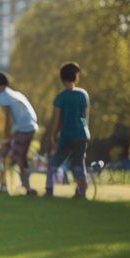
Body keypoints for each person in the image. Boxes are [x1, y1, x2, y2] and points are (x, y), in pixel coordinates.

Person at [44, 62, 91, 199]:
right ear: (76, 77)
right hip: (82, 135)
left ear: (62, 79)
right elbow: (85, 116)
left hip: (67, 135)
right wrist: (86, 131)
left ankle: (49, 189)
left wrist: (52, 136)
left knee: (55, 162)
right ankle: (82, 190)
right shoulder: (83, 95)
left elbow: (57, 121)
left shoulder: (60, 97)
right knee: (78, 163)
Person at [0, 71, 39, 196]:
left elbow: (8, 118)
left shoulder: (3, 96)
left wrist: (6, 135)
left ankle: (21, 187)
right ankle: (8, 184)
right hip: (29, 126)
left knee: (15, 156)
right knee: (13, 155)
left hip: (24, 128)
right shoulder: (13, 94)